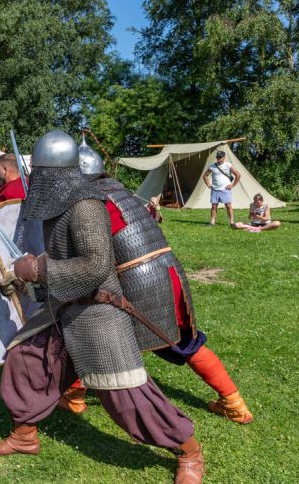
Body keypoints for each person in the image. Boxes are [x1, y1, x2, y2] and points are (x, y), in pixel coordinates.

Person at [0, 130, 204, 484]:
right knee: (26, 357)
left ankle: (188, 451)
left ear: (54, 171)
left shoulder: (85, 205)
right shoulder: (58, 205)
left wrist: (36, 269)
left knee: (125, 394)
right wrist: (25, 277)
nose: (35, 177)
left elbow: (95, 266)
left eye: (39, 170)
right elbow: (60, 257)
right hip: (63, 306)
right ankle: (24, 436)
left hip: (96, 311)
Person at [76, 140, 253, 426]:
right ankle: (234, 403)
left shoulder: (90, 201)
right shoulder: (120, 191)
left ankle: (73, 397)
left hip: (140, 280)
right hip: (169, 273)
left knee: (89, 330)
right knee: (186, 342)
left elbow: (92, 254)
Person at [203, 150, 240, 227]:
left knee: (228, 206)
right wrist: (208, 185)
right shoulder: (212, 166)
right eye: (217, 157)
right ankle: (212, 222)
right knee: (214, 206)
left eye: (220, 157)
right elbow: (205, 176)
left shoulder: (228, 165)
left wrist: (233, 185)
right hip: (215, 190)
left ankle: (232, 222)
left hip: (225, 189)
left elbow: (238, 175)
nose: (218, 158)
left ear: (224, 157)